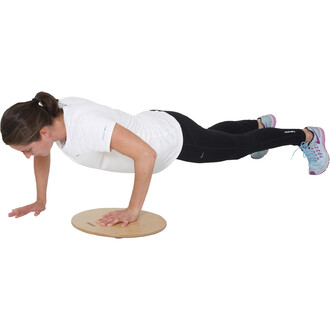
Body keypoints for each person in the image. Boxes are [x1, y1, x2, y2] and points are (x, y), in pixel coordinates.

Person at [1, 92, 329, 227]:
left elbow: (146, 154)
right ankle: (260, 125)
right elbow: (40, 156)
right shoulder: (49, 118)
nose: (28, 157)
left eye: (27, 149)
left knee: (234, 148)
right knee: (217, 137)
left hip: (171, 140)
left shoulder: (84, 127)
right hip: (159, 123)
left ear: (42, 134)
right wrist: (40, 199)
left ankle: (305, 135)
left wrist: (133, 210)